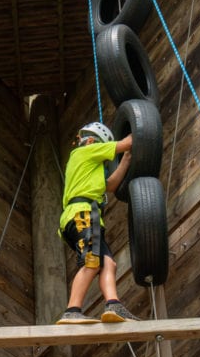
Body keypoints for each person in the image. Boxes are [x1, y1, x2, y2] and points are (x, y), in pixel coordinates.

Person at [57, 121, 139, 324]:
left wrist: (126, 160)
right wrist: (143, 126)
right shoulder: (85, 152)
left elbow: (110, 185)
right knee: (91, 263)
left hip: (83, 217)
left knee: (108, 264)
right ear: (92, 141)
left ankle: (114, 305)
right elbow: (127, 142)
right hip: (82, 213)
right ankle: (72, 310)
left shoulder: (85, 169)